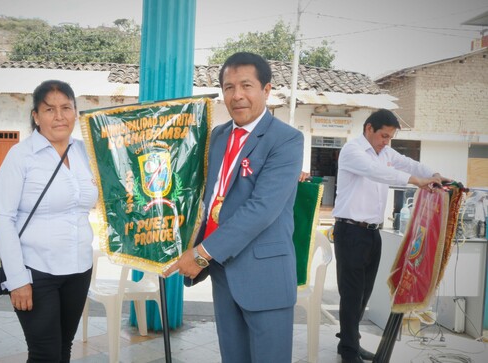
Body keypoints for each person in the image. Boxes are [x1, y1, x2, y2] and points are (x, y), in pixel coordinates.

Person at [165, 52, 304, 362]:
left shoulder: (286, 140)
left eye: (246, 85)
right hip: (223, 271)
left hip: (264, 275)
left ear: (266, 90)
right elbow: (206, 195)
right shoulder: (218, 136)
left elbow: (262, 209)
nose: (237, 95)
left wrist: (201, 254)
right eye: (228, 87)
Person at [0, 80, 99, 362]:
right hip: (36, 271)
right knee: (45, 354)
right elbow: (3, 218)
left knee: (63, 348)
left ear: (76, 112)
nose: (59, 116)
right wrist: (17, 280)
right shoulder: (21, 156)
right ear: (36, 116)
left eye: (66, 107)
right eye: (49, 109)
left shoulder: (85, 153)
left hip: (79, 269)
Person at [332, 109, 447, 363]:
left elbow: (409, 163)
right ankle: (349, 352)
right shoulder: (353, 151)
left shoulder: (386, 152)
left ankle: (348, 342)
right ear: (369, 129)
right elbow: (377, 172)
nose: (386, 141)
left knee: (364, 293)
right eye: (384, 135)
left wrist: (433, 174)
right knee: (351, 294)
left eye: (390, 137)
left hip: (373, 233)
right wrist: (416, 180)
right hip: (350, 231)